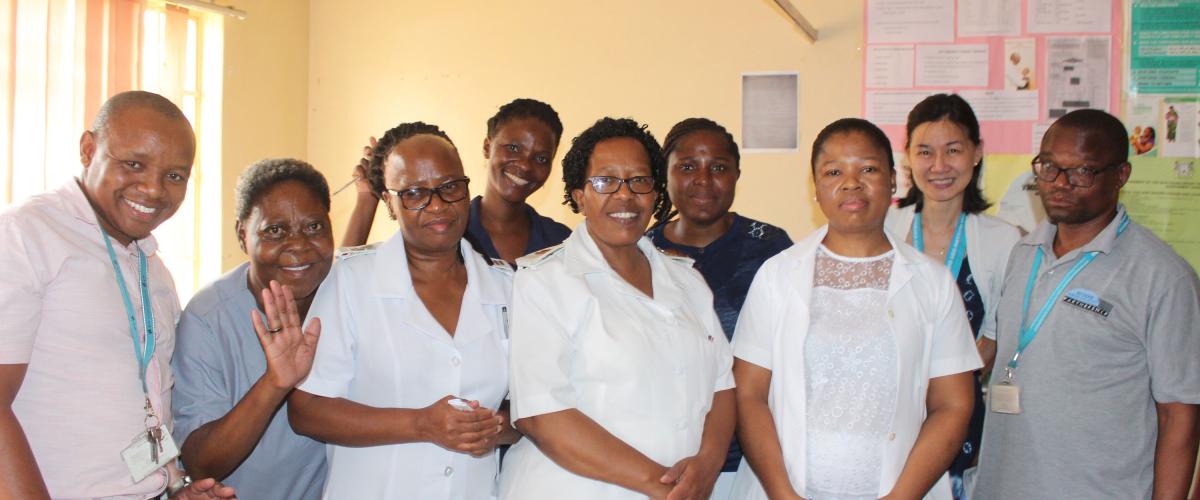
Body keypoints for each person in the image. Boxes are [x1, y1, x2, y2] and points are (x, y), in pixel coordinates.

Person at [732, 118, 981, 500]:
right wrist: (785, 495)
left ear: (894, 180)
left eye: (867, 168)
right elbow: (749, 395)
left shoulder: (932, 282)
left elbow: (953, 404)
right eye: (833, 171)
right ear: (815, 187)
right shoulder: (777, 275)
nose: (851, 182)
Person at [0, 90, 233, 498]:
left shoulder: (152, 267)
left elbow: (148, 402)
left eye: (175, 176)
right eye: (134, 164)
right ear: (88, 149)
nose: (154, 189)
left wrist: (175, 486)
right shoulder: (26, 235)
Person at [500, 117, 735, 499]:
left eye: (638, 181)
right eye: (605, 181)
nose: (624, 196)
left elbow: (723, 385)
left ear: (656, 193)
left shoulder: (688, 281)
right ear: (579, 196)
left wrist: (707, 467)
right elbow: (543, 415)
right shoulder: (544, 280)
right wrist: (660, 485)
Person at [973, 109, 1200, 499]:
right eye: (1049, 167)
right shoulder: (1023, 252)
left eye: (1082, 171)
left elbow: (1179, 414)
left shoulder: (1163, 277)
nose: (1060, 183)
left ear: (1121, 176)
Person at [287, 121, 515, 499]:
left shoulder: (506, 286)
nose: (438, 205)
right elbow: (307, 410)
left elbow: (533, 410)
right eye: (413, 193)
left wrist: (495, 427)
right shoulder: (350, 280)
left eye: (450, 187)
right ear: (389, 203)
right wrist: (421, 424)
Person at [646, 117, 792, 497]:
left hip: (753, 463)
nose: (703, 180)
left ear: (737, 175)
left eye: (719, 168)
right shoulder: (641, 251)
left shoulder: (771, 249)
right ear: (666, 173)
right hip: (659, 461)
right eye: (687, 166)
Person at [884, 94, 1021, 498]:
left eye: (954, 150)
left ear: (977, 153)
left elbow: (992, 343)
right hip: (886, 411)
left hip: (961, 418)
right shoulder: (883, 229)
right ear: (907, 156)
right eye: (925, 151)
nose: (939, 166)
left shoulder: (1003, 240)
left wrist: (940, 392)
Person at [171, 159, 332, 499]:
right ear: (242, 235)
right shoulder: (208, 318)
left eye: (314, 227)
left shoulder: (346, 296)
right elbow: (201, 462)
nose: (299, 244)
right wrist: (275, 382)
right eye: (275, 230)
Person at [467, 98, 571, 264]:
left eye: (541, 158)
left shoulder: (562, 243)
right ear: (487, 147)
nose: (525, 166)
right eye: (514, 148)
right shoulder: (452, 233)